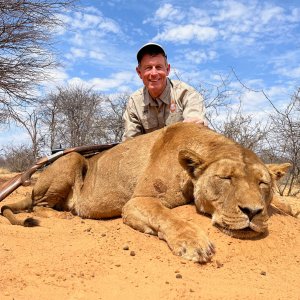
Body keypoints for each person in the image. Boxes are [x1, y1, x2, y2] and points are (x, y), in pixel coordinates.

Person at [122, 42, 207, 141]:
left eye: (159, 67)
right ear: (139, 72)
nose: (154, 73)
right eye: (148, 68)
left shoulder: (187, 93)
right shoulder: (134, 102)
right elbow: (130, 142)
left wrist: (194, 122)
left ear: (167, 69)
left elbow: (194, 119)